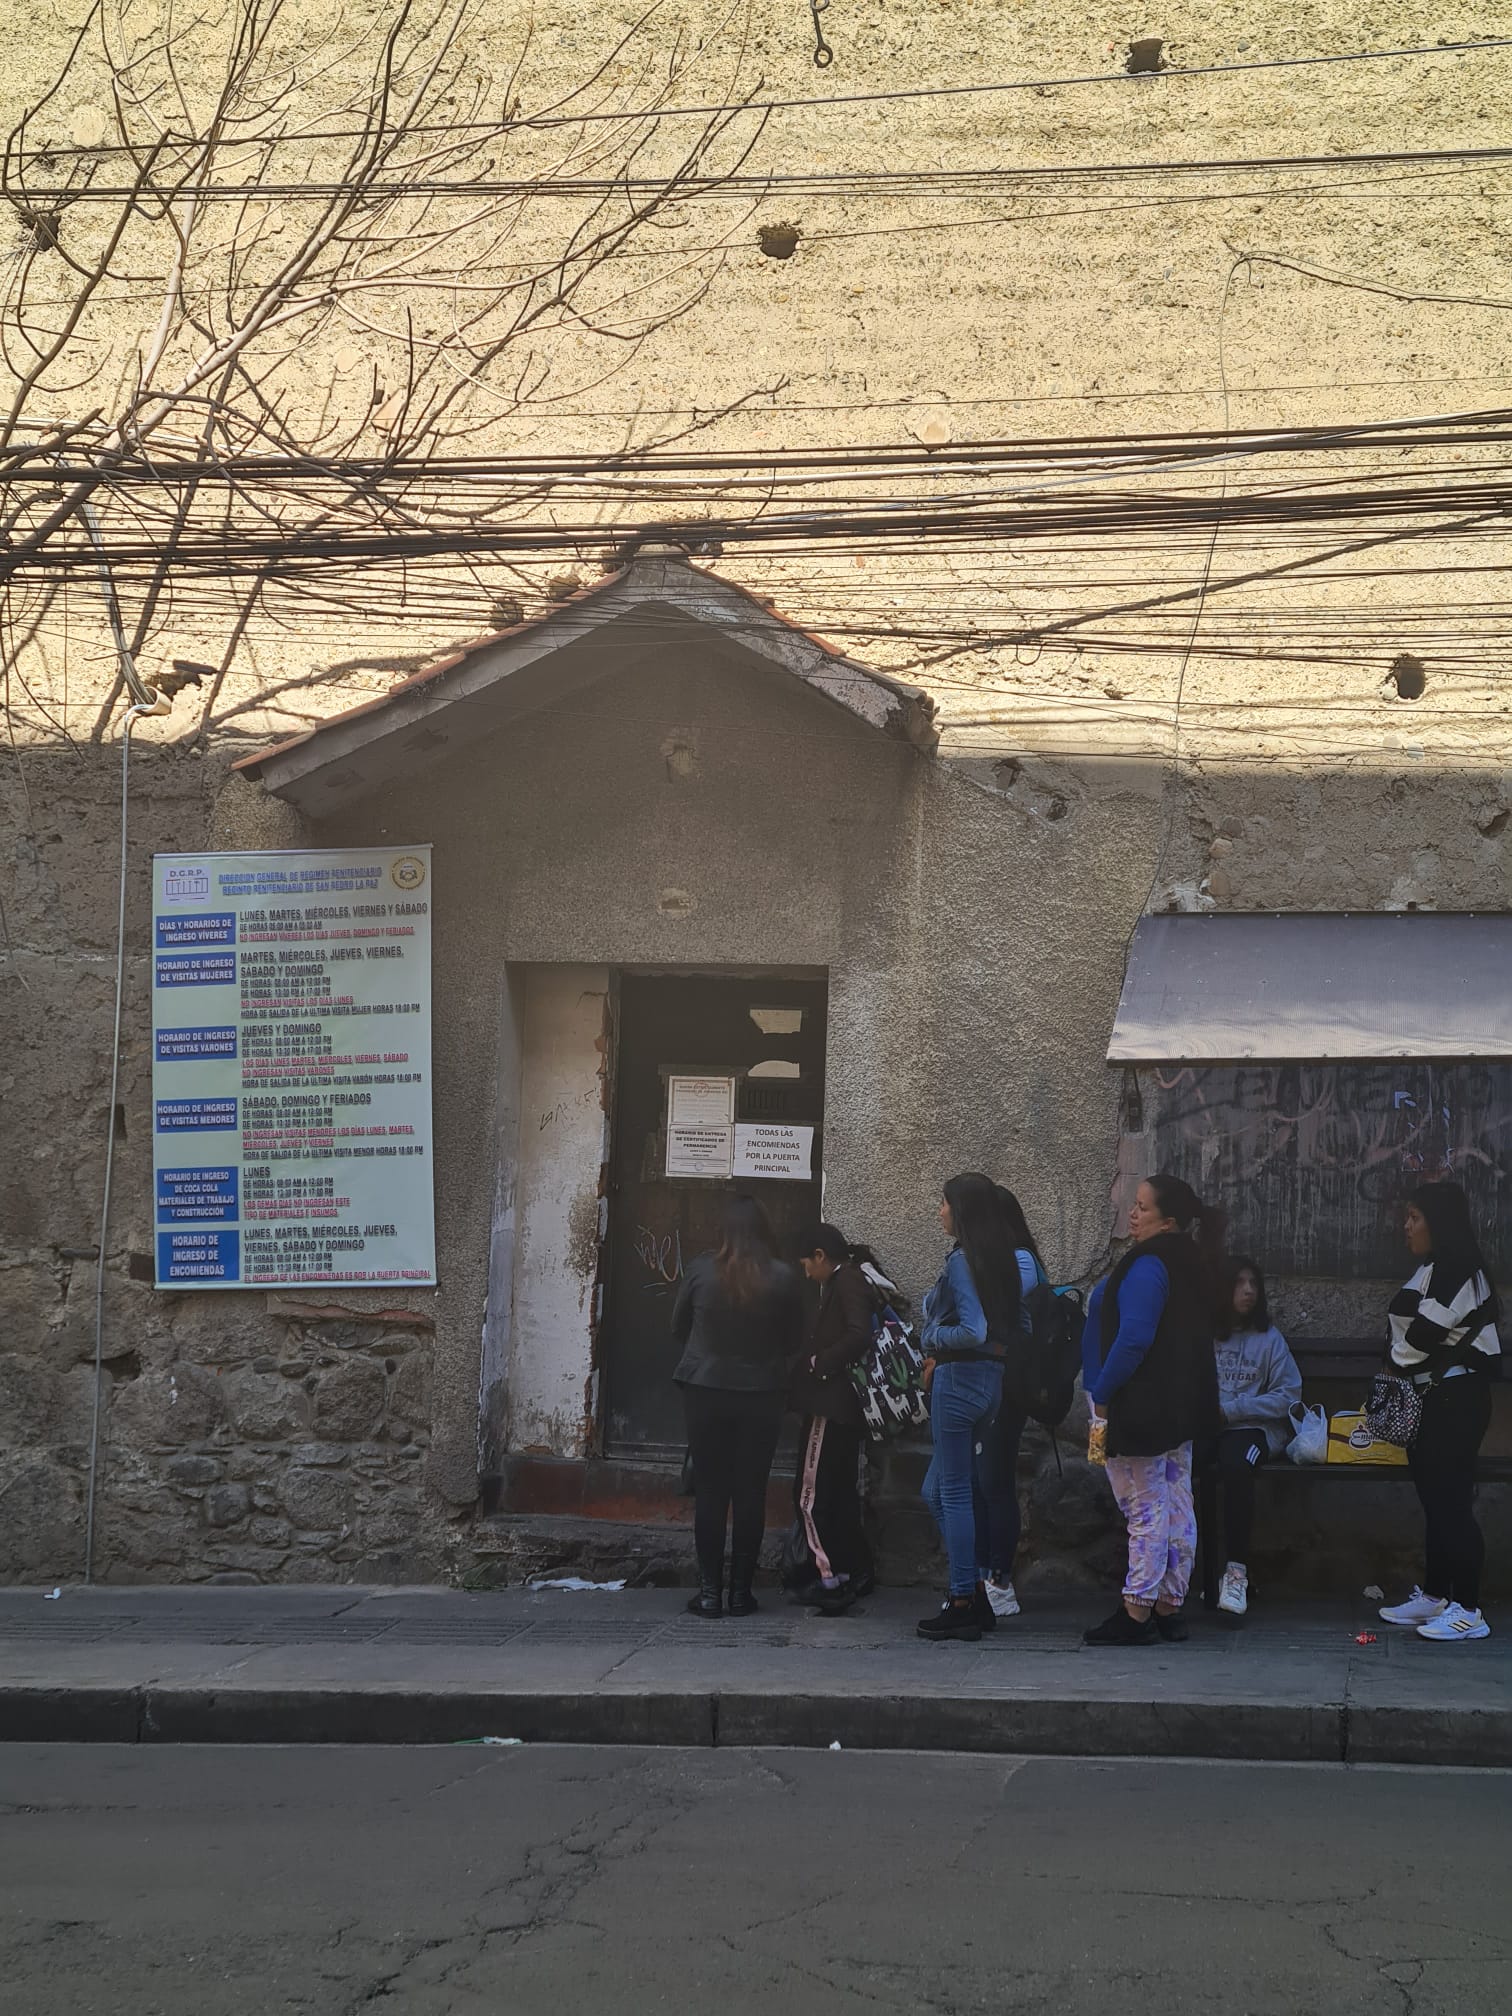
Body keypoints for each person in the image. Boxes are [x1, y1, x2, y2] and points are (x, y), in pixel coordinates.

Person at [1081, 1173, 1224, 1647]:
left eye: (1142, 1207)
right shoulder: (1190, 1262)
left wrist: (1103, 1393)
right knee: (1176, 1501)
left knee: (1144, 1507)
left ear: (1169, 1222)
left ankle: (1137, 1609)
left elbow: (1134, 1338)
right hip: (1177, 1405)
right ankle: (1169, 1605)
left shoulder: (1148, 1265)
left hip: (1138, 1405)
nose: (1133, 1213)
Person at [1377, 1181, 1502, 1643]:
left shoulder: (1458, 1269)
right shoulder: (1431, 1268)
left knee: (1451, 1503)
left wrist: (1394, 1361)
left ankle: (1468, 1609)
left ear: (1439, 1222)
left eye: (1415, 1217)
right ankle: (1435, 1596)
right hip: (1433, 1399)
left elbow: (1420, 1338)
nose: (1406, 1226)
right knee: (1436, 1502)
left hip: (1456, 1400)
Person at [672, 1196, 805, 1619]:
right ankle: (742, 1594)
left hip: (706, 1389)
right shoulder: (783, 1276)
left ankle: (709, 1594)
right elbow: (795, 1340)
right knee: (751, 1492)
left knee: (710, 1491)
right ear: (764, 1229)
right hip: (762, 1392)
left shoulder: (700, 1270)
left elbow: (677, 1326)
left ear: (722, 1229)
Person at [917, 1173, 1025, 1642]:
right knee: (935, 1490)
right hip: (990, 1383)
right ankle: (975, 1590)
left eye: (944, 1203)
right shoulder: (1003, 1260)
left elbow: (972, 1329)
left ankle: (962, 1599)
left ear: (961, 1211)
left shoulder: (962, 1260)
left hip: (958, 1379)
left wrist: (932, 1337)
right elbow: (1020, 1324)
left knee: (953, 1492)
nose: (939, 1211)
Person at [1195, 1257, 1302, 1620]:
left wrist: (1234, 1410)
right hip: (1209, 1427)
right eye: (1240, 1283)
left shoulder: (1269, 1339)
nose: (1248, 1291)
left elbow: (1289, 1395)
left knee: (1237, 1465)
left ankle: (1236, 1573)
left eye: (1254, 1283)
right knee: (1183, 1463)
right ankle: (1191, 1572)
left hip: (1254, 1430)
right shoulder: (1206, 1336)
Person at [790, 1223, 882, 1616]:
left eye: (806, 1264)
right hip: (842, 1407)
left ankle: (827, 1578)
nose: (806, 1272)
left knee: (809, 1495)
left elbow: (859, 1334)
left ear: (820, 1256)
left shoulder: (846, 1281)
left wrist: (820, 1362)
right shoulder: (850, 1280)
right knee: (838, 1492)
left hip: (831, 1405)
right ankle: (847, 1571)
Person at [969, 1184, 1047, 1620]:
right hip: (983, 1383)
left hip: (1006, 1386)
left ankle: (999, 1580)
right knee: (979, 1483)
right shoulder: (991, 1261)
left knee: (994, 1481)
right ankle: (981, 1574)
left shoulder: (1020, 1262)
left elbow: (990, 1314)